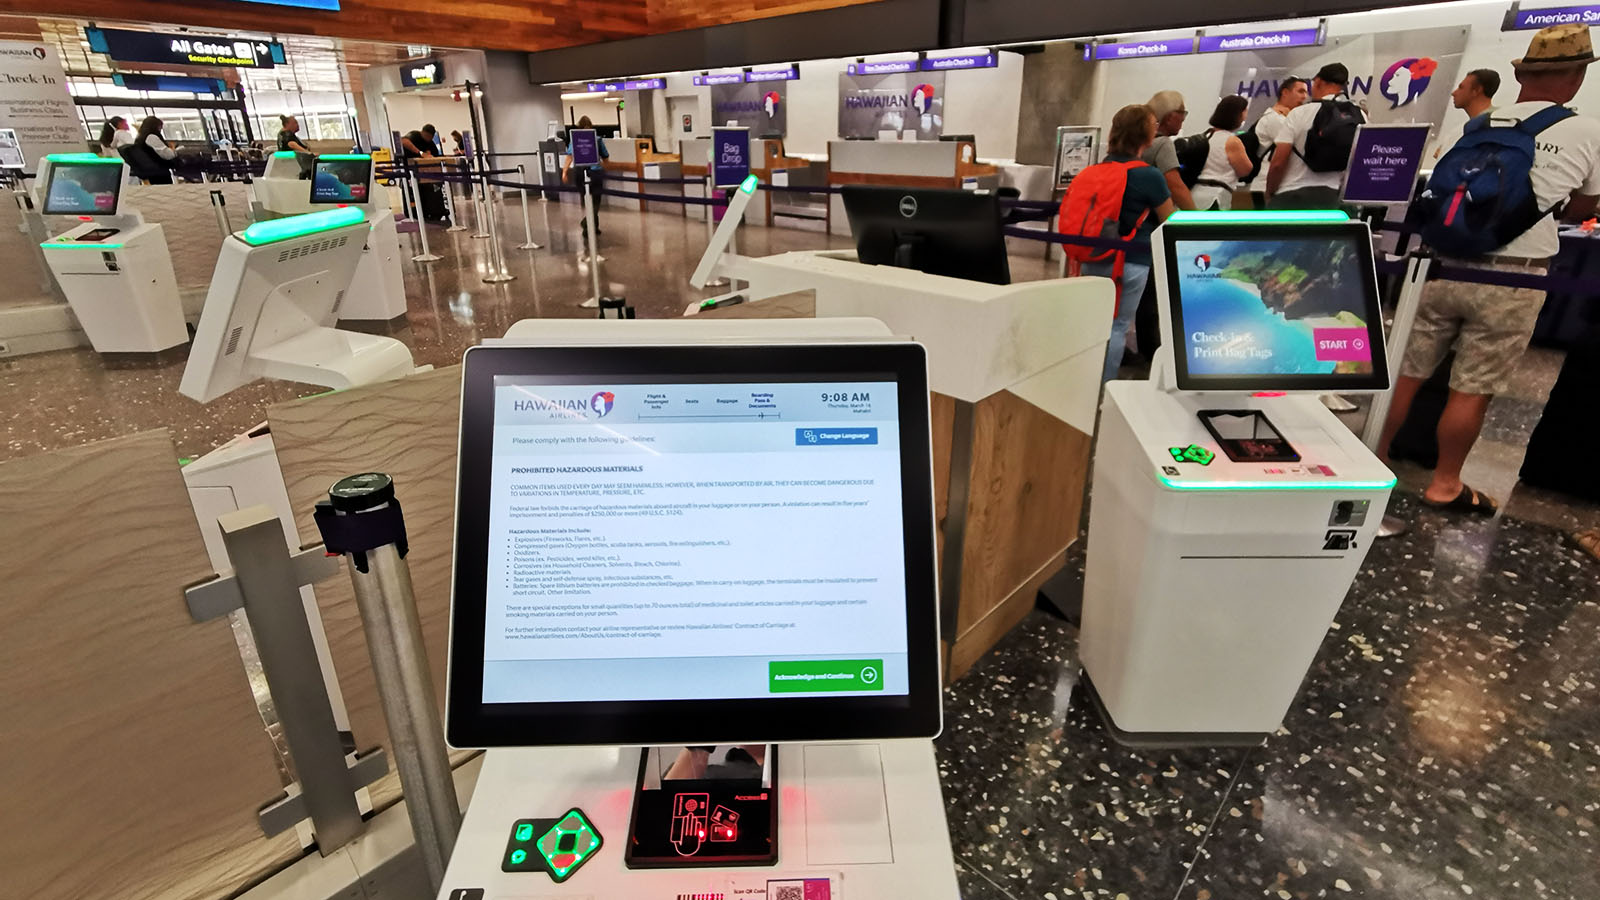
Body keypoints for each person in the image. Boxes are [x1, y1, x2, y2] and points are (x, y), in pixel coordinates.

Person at [1376, 23, 1600, 516]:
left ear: (1522, 75)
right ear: (1578, 76)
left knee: (1408, 372)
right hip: (1514, 277)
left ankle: (1375, 456)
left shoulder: (1482, 125)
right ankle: (1445, 483)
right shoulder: (1586, 128)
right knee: (1472, 385)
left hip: (1443, 265)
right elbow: (1586, 200)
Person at [1077, 104, 1177, 382]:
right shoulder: (1149, 175)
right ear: (1147, 137)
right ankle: (1102, 390)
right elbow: (1169, 219)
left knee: (1092, 324)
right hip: (1131, 262)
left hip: (1091, 256)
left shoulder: (1094, 170)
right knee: (1117, 326)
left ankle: (1082, 383)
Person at [1265, 63, 1365, 209]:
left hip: (1291, 196)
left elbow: (1278, 163)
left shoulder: (1299, 113)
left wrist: (1270, 193)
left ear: (1318, 82)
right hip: (1334, 199)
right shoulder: (1358, 115)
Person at [1247, 77, 1307, 206]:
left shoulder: (1282, 118)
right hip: (1265, 185)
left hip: (1269, 184)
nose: (1304, 97)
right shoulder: (1275, 119)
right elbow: (1299, 145)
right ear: (1285, 92)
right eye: (1300, 91)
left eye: (1306, 93)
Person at [1191, 95, 1255, 211]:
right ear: (1237, 114)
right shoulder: (1232, 141)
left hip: (1195, 193)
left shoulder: (1205, 136)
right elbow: (1245, 170)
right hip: (1215, 196)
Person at [1142, 91, 1195, 210]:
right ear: (1170, 117)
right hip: (1150, 217)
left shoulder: (1139, 141)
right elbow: (1176, 187)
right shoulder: (1163, 143)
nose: (1183, 119)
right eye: (1182, 113)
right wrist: (1197, 219)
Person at [563, 116, 610, 238]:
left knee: (586, 200)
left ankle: (593, 226)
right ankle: (587, 224)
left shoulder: (575, 140)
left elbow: (569, 156)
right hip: (595, 173)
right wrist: (607, 167)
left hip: (580, 173)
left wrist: (565, 171)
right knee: (596, 201)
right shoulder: (597, 139)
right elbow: (605, 157)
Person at [127, 116, 177, 184]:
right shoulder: (151, 137)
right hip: (159, 173)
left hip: (151, 171)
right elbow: (168, 155)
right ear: (155, 126)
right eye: (160, 127)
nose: (160, 130)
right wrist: (173, 148)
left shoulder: (140, 138)